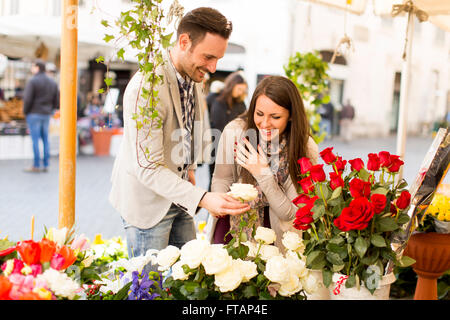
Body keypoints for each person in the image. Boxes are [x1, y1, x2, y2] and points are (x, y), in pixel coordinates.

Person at [109, 7, 250, 272]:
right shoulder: (146, 88)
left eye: (218, 59)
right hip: (147, 205)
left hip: (181, 195)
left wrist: (191, 168)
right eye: (208, 57)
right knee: (151, 288)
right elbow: (148, 168)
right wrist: (203, 198)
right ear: (184, 41)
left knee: (187, 278)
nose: (213, 68)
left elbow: (192, 127)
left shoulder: (195, 78)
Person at [206, 76, 319, 251]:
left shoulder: (304, 146)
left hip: (277, 233)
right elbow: (222, 178)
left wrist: (263, 173)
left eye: (275, 116)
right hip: (232, 225)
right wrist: (221, 201)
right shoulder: (235, 132)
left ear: (290, 116)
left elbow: (290, 213)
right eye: (259, 114)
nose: (265, 123)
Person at [208, 71, 248, 189]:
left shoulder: (241, 104)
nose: (241, 92)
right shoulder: (215, 99)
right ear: (232, 85)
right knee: (215, 180)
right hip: (215, 145)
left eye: (243, 90)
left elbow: (244, 123)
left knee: (232, 180)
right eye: (239, 88)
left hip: (234, 147)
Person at [23, 59, 59, 173]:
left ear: (37, 67)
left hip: (34, 113)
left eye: (33, 66)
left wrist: (25, 111)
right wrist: (51, 110)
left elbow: (27, 99)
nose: (31, 69)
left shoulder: (33, 81)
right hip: (46, 114)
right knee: (45, 139)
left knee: (35, 140)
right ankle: (46, 164)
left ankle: (36, 165)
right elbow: (57, 101)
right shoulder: (52, 82)